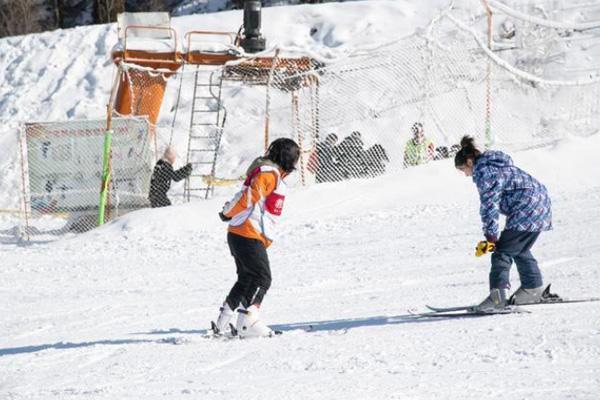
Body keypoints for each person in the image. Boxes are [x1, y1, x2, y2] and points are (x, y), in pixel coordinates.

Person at [212, 138, 300, 338]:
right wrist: (228, 212)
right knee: (262, 278)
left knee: (247, 279)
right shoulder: (269, 174)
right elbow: (248, 197)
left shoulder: (272, 174)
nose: (296, 161)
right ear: (286, 157)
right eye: (295, 156)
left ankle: (222, 323)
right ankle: (247, 323)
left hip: (242, 233)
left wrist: (230, 213)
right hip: (247, 233)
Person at [454, 136, 553, 311]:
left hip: (527, 208)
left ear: (470, 161)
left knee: (502, 253)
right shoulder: (496, 166)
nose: (465, 174)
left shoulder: (485, 172)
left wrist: (491, 236)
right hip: (540, 206)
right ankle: (532, 289)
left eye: (463, 169)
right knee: (519, 249)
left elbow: (489, 205)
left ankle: (497, 298)